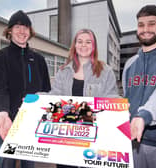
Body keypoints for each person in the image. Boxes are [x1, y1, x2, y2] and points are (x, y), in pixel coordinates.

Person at [50, 28, 119, 168]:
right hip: (67, 137)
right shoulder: (63, 71)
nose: (83, 45)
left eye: (88, 42)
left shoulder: (105, 71)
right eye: (80, 41)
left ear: (94, 46)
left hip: (94, 138)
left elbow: (111, 96)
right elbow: (54, 96)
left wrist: (120, 105)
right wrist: (34, 99)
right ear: (74, 45)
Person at [0, 10, 51, 168]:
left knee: (29, 164)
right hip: (8, 122)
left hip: (32, 123)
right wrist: (3, 113)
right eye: (17, 27)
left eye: (26, 27)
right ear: (10, 30)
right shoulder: (0, 57)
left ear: (30, 31)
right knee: (7, 163)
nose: (22, 31)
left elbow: (46, 89)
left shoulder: (39, 60)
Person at [122, 5, 156, 168]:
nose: (145, 29)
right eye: (141, 25)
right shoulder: (130, 64)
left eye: (151, 23)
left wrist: (144, 115)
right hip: (132, 142)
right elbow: (127, 99)